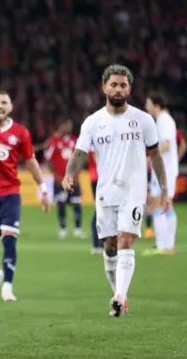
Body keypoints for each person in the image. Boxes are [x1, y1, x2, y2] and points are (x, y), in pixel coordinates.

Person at [62, 64, 169, 317]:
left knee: (125, 239)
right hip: (106, 191)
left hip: (134, 190)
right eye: (114, 84)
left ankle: (119, 296)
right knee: (109, 245)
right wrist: (69, 173)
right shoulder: (92, 122)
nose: (118, 89)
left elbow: (155, 155)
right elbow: (79, 153)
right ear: (104, 88)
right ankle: (119, 297)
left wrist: (163, 188)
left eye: (123, 85)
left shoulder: (143, 120)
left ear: (129, 89)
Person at [0, 90, 51, 302]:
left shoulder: (20, 133)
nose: (0, 106)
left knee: (9, 238)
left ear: (11, 106)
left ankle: (8, 287)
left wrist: (43, 189)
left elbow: (30, 161)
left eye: (4, 102)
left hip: (10, 194)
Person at [143, 92, 179, 256]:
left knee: (158, 204)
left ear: (156, 105)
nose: (146, 107)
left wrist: (151, 158)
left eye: (149, 103)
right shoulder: (165, 120)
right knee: (165, 204)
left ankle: (161, 246)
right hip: (166, 169)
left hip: (163, 170)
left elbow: (166, 144)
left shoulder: (164, 120)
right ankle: (168, 245)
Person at [44, 119, 86, 239]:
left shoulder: (75, 140)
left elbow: (80, 159)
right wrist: (55, 176)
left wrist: (77, 174)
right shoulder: (53, 141)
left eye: (70, 125)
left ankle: (78, 229)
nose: (69, 127)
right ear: (61, 126)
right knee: (61, 204)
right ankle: (63, 229)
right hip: (60, 181)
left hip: (73, 180)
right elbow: (48, 160)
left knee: (76, 203)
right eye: (67, 125)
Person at [87, 149, 103, 255]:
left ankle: (98, 245)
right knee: (101, 211)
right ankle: (98, 244)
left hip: (99, 178)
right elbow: (97, 159)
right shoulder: (96, 138)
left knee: (101, 211)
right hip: (99, 179)